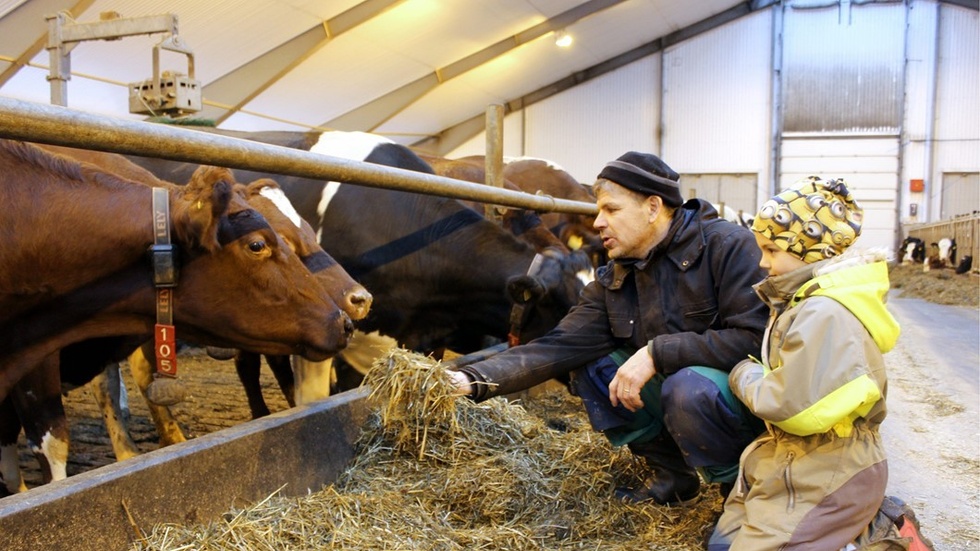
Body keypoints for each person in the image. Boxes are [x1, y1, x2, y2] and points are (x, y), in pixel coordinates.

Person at [448, 151, 769, 506]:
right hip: (681, 395)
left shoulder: (729, 247)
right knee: (592, 366)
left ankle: (737, 493)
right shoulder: (615, 278)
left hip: (746, 405)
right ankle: (673, 475)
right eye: (599, 210)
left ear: (652, 207)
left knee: (687, 386)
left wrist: (656, 354)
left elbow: (754, 337)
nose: (598, 222)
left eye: (611, 210)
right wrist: (471, 379)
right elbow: (557, 346)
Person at [707, 177, 901, 550]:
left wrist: (743, 373)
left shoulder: (823, 313)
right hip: (791, 457)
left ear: (810, 250)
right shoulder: (806, 303)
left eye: (771, 249)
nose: (762, 262)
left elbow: (791, 407)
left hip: (829, 464)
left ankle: (876, 534)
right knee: (720, 543)